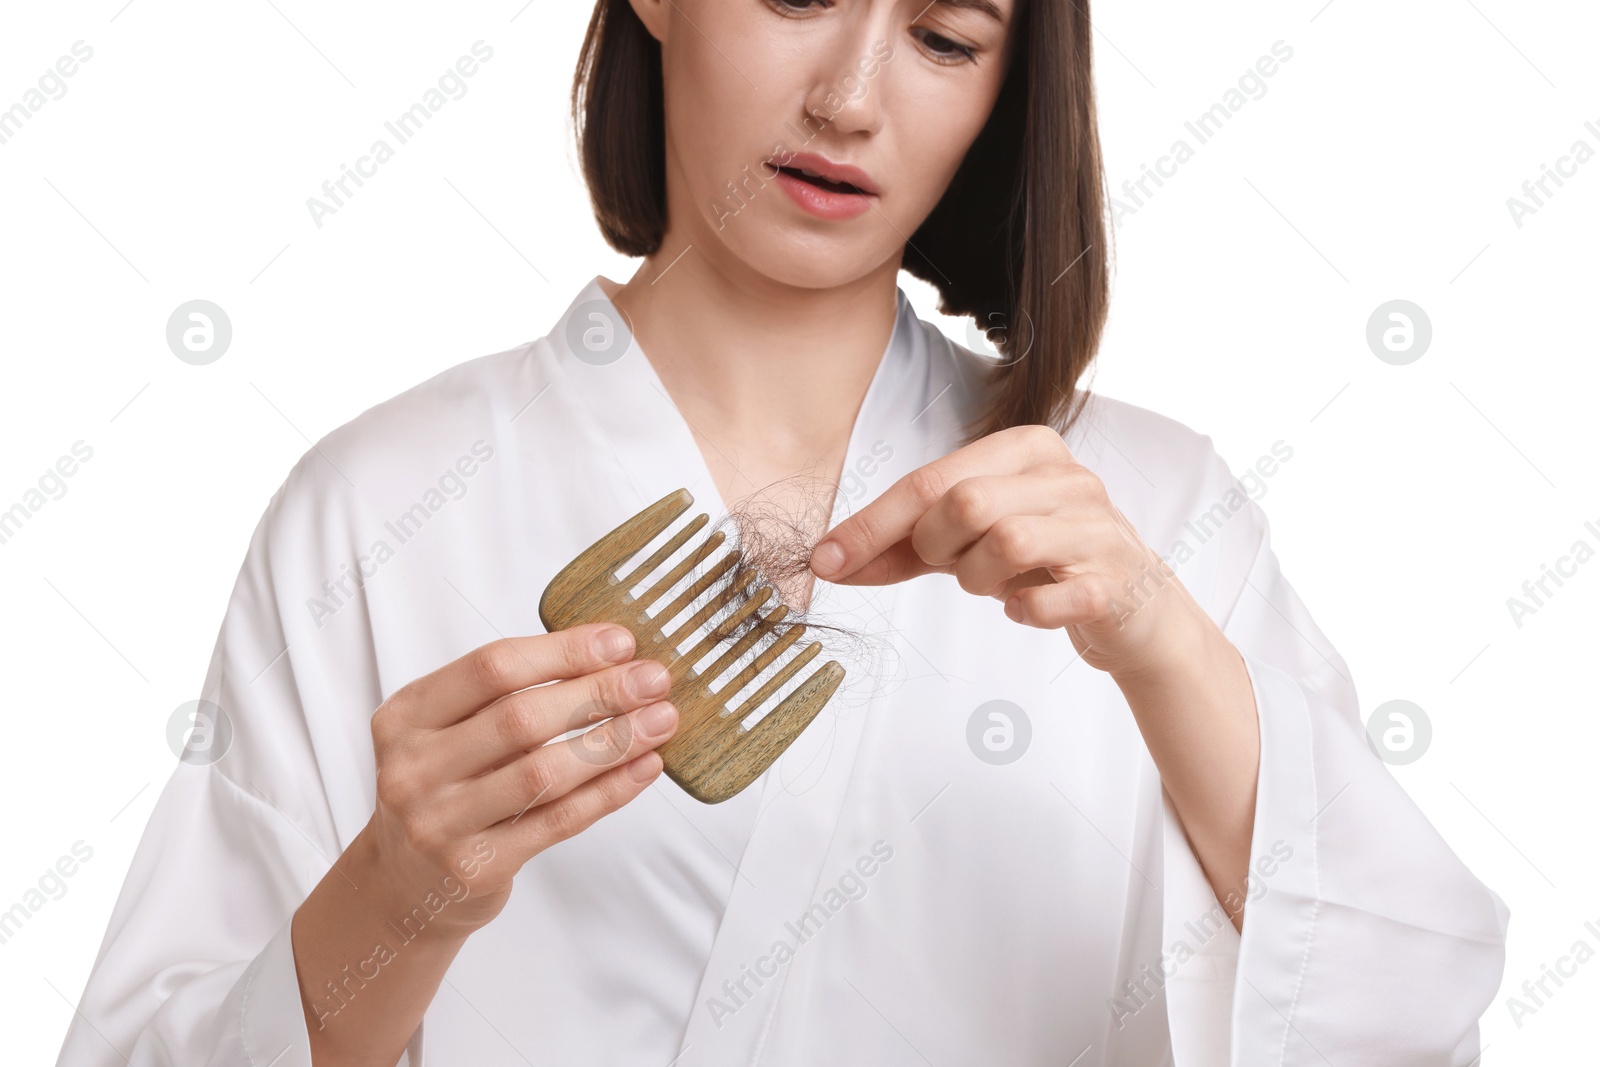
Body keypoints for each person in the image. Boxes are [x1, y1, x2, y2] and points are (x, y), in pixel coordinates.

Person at [58, 0, 1509, 1063]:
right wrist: (401, 898)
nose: (853, 98)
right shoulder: (374, 508)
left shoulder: (1158, 507)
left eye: (946, 36)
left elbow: (1409, 1013)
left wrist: (1162, 644)